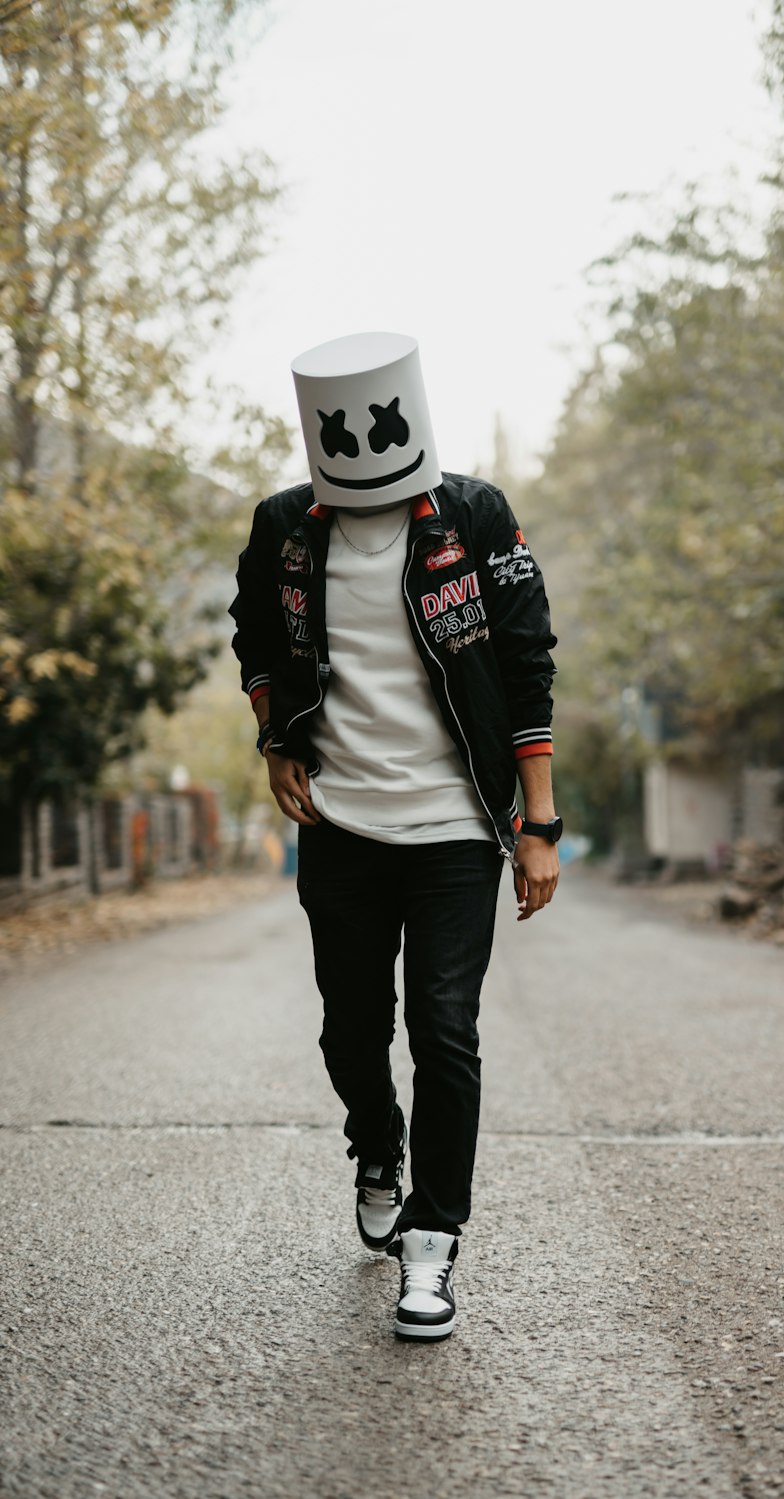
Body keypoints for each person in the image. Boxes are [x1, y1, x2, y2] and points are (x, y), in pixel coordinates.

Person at [229, 332, 560, 1341]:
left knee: (444, 1025)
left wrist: (539, 822)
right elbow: (252, 627)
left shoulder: (472, 514)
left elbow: (525, 656)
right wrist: (270, 736)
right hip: (341, 821)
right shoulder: (286, 526)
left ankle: (432, 1242)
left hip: (456, 821)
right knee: (348, 1028)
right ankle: (377, 1145)